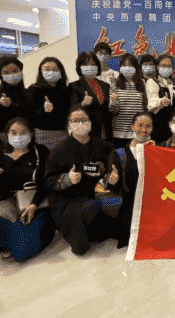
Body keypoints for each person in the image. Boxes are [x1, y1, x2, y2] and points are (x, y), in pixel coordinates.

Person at [44, 106, 116, 255]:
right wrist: (67, 179)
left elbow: (113, 168)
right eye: (75, 120)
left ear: (90, 122)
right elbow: (49, 180)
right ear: (68, 125)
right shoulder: (59, 150)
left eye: (84, 120)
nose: (80, 124)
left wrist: (103, 170)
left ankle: (96, 229)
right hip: (69, 198)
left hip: (97, 191)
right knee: (90, 208)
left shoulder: (102, 145)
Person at [0, 117, 55, 261]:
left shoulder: (40, 152)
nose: (18, 136)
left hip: (36, 200)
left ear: (32, 134)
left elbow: (46, 183)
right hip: (9, 200)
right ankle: (14, 235)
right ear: (7, 134)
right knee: (3, 222)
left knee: (21, 253)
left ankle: (25, 234)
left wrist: (34, 205)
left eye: (23, 132)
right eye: (13, 132)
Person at [110, 111, 156, 248]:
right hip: (129, 207)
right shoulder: (119, 154)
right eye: (140, 125)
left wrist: (155, 154)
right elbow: (114, 189)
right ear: (132, 126)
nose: (144, 129)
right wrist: (112, 181)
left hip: (152, 205)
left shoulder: (157, 150)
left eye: (148, 126)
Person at [26, 57, 72, 151]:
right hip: (42, 133)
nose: (51, 72)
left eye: (55, 69)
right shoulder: (33, 89)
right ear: (41, 71)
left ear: (61, 71)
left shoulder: (66, 90)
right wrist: (43, 110)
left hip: (63, 132)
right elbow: (29, 116)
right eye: (47, 69)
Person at [0, 56, 28, 150]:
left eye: (14, 71)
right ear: (0, 75)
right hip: (3, 137)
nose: (11, 75)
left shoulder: (28, 92)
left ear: (20, 71)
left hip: (25, 136)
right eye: (6, 73)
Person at [69, 52, 112, 142]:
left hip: (106, 129)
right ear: (79, 67)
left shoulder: (105, 85)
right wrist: (82, 104)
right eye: (85, 64)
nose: (89, 67)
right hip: (87, 131)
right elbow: (71, 109)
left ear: (97, 66)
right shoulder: (74, 86)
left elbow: (108, 108)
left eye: (92, 64)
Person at [109, 53, 147, 148]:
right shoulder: (115, 84)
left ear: (136, 68)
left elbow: (145, 107)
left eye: (130, 65)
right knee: (121, 156)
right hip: (120, 131)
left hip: (138, 130)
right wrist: (114, 101)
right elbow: (113, 110)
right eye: (124, 65)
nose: (127, 68)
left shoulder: (142, 83)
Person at [146, 54, 175, 144]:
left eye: (169, 66)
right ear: (157, 66)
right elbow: (150, 105)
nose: (166, 68)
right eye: (163, 65)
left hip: (171, 123)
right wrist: (160, 101)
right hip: (158, 123)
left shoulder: (173, 83)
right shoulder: (152, 81)